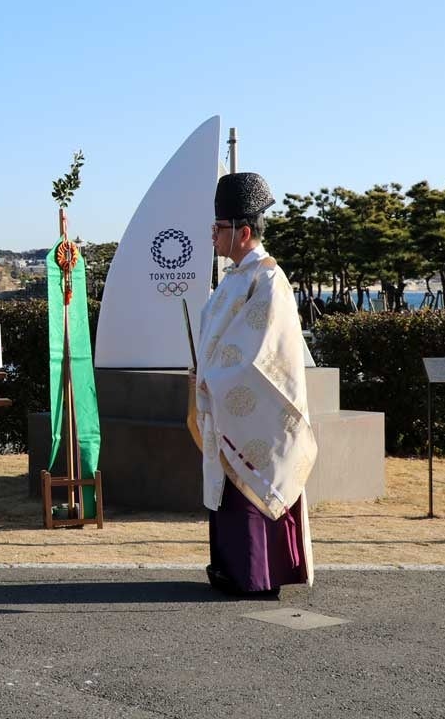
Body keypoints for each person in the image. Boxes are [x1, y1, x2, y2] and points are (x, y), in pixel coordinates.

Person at [186, 172, 317, 597]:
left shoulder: (268, 280)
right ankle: (230, 567)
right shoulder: (233, 279)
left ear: (243, 232)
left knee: (250, 487)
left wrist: (212, 378)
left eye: (218, 229)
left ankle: (258, 574)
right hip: (225, 399)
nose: (213, 237)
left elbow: (262, 353)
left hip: (257, 409)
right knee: (228, 491)